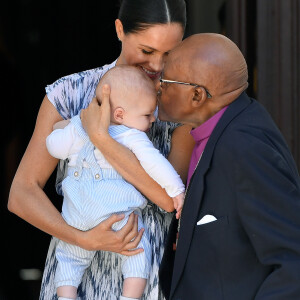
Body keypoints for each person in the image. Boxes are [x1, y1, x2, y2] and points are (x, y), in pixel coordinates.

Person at [8, 1, 195, 299]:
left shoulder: (180, 106)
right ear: (120, 30)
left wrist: (102, 138)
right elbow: (21, 194)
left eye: (169, 53)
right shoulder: (69, 93)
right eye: (147, 51)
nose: (158, 66)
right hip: (73, 277)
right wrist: (85, 239)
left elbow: (167, 200)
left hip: (143, 280)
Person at [157, 33, 300, 300]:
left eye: (165, 81)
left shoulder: (245, 148)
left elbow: (293, 262)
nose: (158, 87)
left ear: (197, 95)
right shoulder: (217, 130)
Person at [46, 66, 185, 300]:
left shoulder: (80, 128)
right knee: (137, 253)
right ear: (120, 115)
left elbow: (54, 147)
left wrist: (65, 128)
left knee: (69, 257)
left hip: (77, 214)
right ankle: (129, 297)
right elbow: (157, 166)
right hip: (116, 213)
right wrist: (177, 189)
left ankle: (66, 296)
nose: (153, 119)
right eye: (147, 115)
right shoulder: (132, 136)